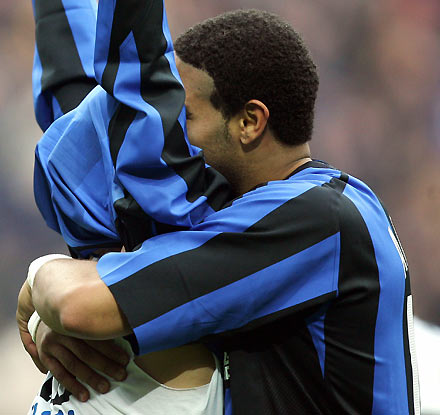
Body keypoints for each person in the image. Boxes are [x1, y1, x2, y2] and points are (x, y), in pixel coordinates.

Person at [17, 1, 420, 414]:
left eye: (186, 115)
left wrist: (40, 280)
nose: (174, 134)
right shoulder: (268, 213)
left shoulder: (316, 219)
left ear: (249, 122)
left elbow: (78, 304)